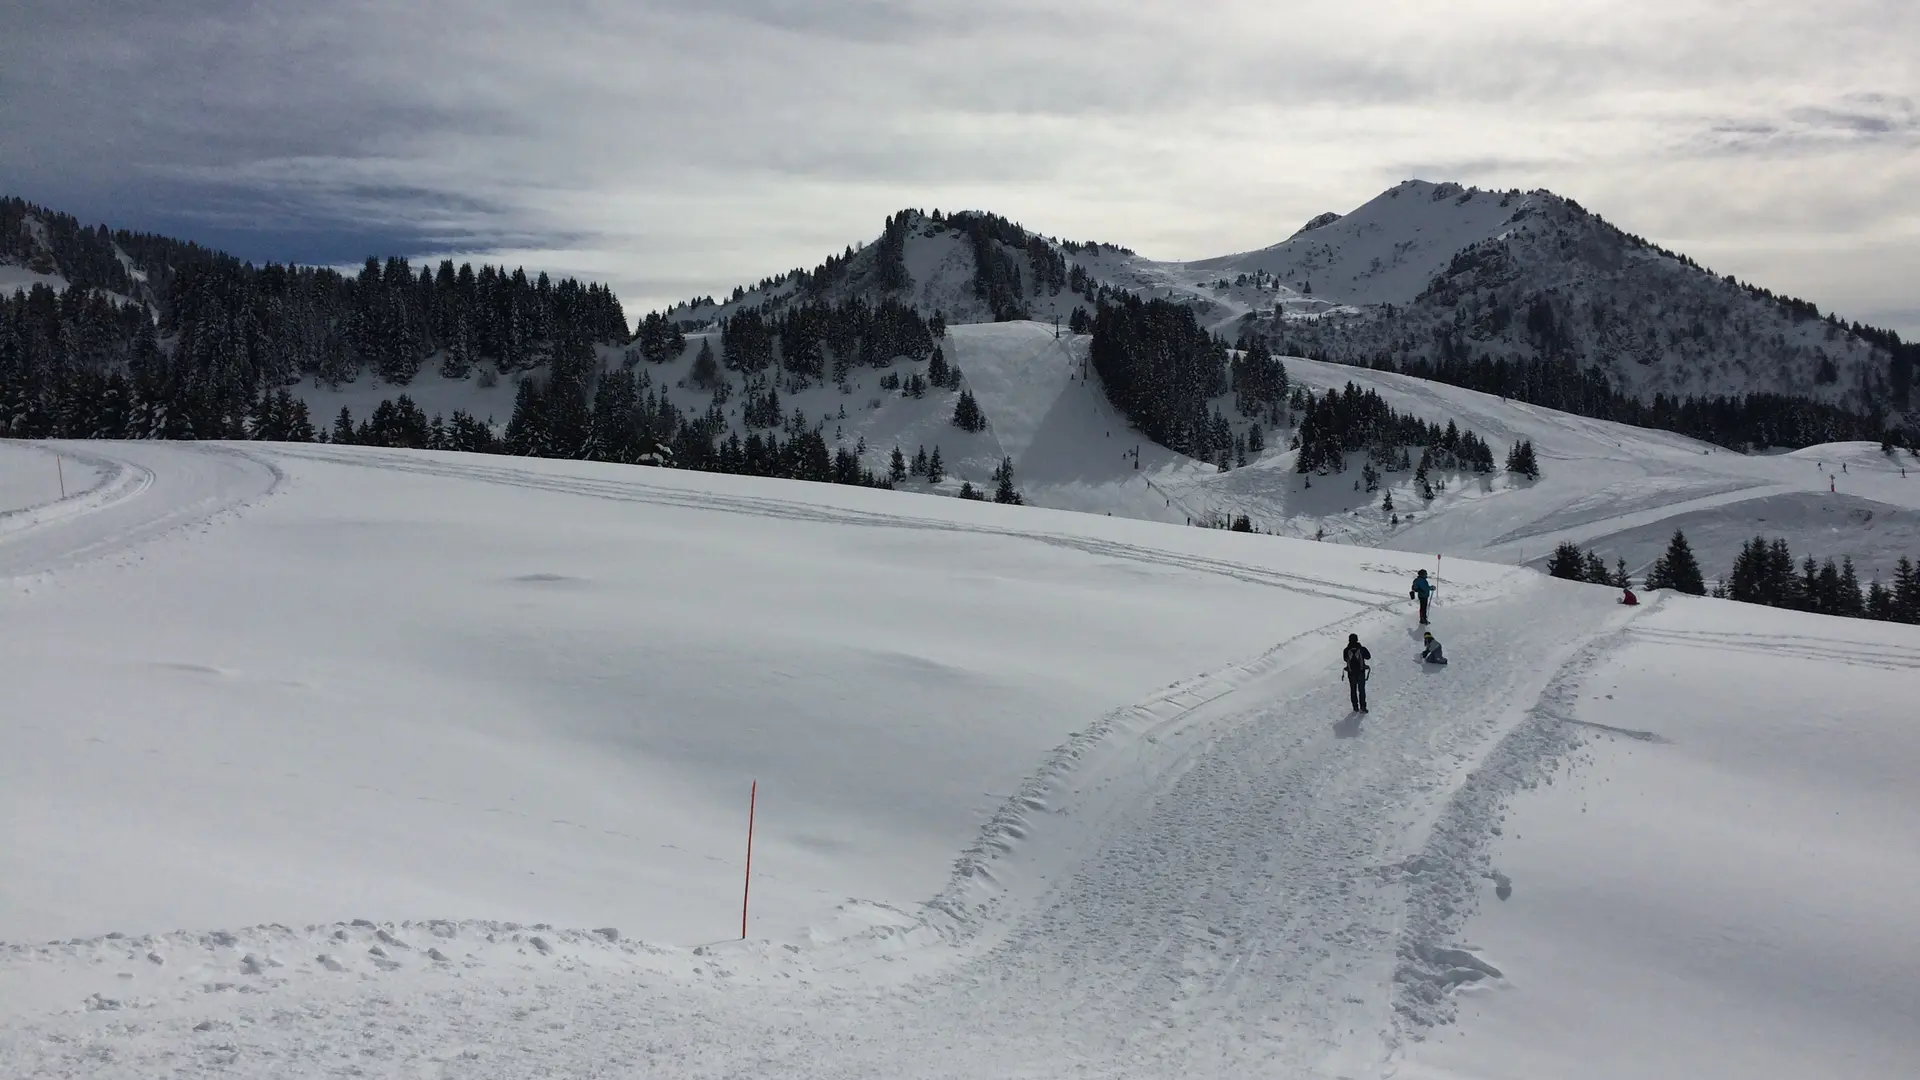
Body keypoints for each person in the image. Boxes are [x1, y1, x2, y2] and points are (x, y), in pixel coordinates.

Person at [1342, 633, 1371, 712]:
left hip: (1351, 673)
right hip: (1361, 672)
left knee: (1353, 689)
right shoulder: (1361, 648)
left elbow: (1345, 659)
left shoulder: (1346, 650)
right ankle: (1363, 707)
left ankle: (1355, 707)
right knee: (1361, 690)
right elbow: (1368, 657)